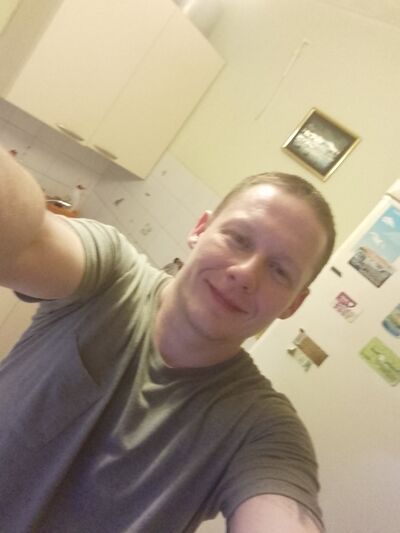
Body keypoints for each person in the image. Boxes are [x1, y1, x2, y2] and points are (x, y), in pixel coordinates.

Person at [0, 146, 335, 532]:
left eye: (279, 270)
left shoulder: (261, 429)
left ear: (294, 304)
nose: (246, 273)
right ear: (200, 230)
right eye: (239, 239)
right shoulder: (110, 275)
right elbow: (27, 239)